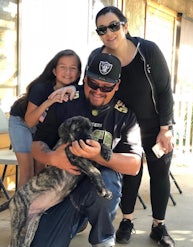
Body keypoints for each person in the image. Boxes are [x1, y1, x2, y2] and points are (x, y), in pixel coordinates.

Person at [30, 53, 143, 247]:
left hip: (98, 185)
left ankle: (103, 239)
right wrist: (52, 157)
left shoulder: (124, 114)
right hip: (62, 187)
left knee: (105, 186)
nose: (98, 91)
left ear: (116, 85)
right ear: (85, 79)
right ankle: (77, 219)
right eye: (93, 84)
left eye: (106, 87)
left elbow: (134, 166)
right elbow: (36, 146)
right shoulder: (66, 102)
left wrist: (100, 156)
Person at [88, 6, 175, 247]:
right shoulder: (98, 57)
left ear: (125, 26)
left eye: (114, 26)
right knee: (129, 173)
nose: (109, 33)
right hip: (123, 128)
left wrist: (166, 128)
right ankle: (126, 220)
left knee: (159, 173)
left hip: (156, 124)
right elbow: (89, 86)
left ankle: (159, 225)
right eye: (102, 29)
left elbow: (165, 90)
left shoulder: (147, 51)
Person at [9, 49, 81, 187]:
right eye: (63, 67)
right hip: (22, 123)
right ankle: (21, 208)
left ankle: (38, 208)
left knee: (40, 172)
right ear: (54, 71)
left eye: (72, 68)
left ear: (78, 73)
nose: (67, 72)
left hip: (43, 128)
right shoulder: (41, 88)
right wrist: (50, 101)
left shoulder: (75, 93)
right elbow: (30, 121)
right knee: (27, 172)